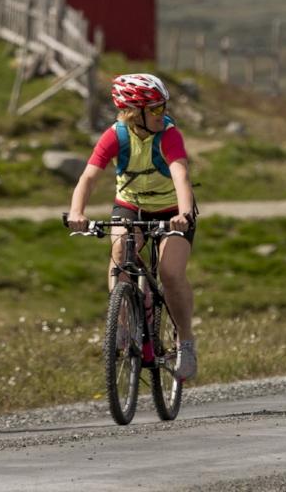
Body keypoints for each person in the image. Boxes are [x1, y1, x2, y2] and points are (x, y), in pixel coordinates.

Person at [66, 73, 199, 381]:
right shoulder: (116, 135)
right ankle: (123, 327)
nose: (161, 114)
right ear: (132, 111)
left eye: (162, 107)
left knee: (170, 272)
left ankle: (186, 341)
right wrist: (77, 211)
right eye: (154, 109)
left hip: (172, 210)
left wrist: (184, 212)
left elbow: (181, 176)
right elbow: (88, 177)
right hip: (130, 206)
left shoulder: (169, 134)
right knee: (120, 255)